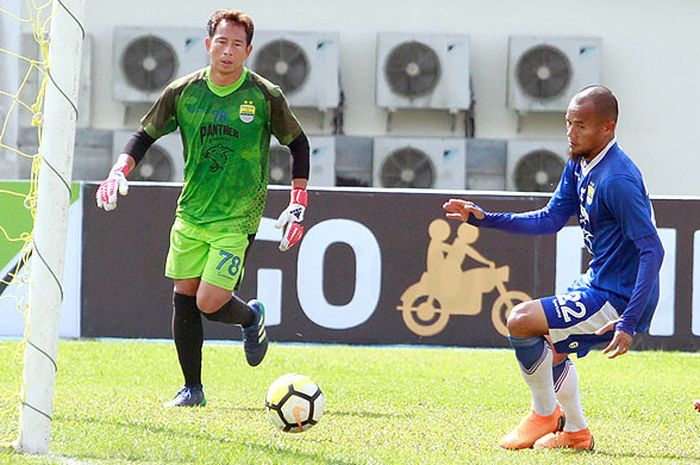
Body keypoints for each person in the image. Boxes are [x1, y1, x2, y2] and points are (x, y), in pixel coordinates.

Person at [95, 9, 310, 407]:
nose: (228, 51)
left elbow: (297, 143)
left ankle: (250, 318)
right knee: (184, 296)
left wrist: (298, 202)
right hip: (192, 212)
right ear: (208, 44)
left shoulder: (264, 95)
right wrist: (118, 171)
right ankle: (192, 389)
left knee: (209, 303)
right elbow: (145, 134)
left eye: (237, 45)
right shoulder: (184, 92)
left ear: (248, 51)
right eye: (222, 42)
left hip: (237, 215)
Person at [443, 86, 664, 450]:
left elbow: (652, 250)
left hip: (619, 297)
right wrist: (484, 219)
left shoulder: (617, 180)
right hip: (599, 283)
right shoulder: (580, 162)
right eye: (568, 123)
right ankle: (575, 432)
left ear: (607, 128)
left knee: (520, 320)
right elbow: (549, 219)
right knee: (546, 345)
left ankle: (544, 413)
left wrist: (628, 320)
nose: (571, 133)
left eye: (581, 126)